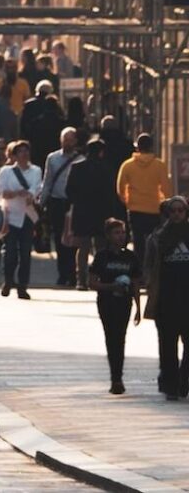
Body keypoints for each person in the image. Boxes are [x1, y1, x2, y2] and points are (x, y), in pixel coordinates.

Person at [88, 218, 142, 395]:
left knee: (121, 338)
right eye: (116, 233)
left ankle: (118, 377)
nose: (121, 236)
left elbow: (135, 284)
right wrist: (111, 287)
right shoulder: (102, 256)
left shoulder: (130, 257)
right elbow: (93, 282)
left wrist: (138, 308)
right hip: (106, 303)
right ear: (108, 236)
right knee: (111, 338)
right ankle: (115, 377)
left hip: (124, 303)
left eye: (123, 232)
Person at [144, 196, 189, 400]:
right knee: (167, 347)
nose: (178, 214)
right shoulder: (158, 238)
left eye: (181, 210)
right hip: (166, 300)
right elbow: (149, 266)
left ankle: (184, 381)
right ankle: (170, 385)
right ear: (168, 213)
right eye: (174, 210)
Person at [68, 138, 120, 288]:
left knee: (83, 247)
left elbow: (69, 191)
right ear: (101, 152)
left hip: (82, 212)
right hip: (102, 213)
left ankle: (81, 280)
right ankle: (99, 277)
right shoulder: (108, 168)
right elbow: (112, 192)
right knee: (101, 247)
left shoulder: (77, 167)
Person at [0, 140, 43, 299]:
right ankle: (8, 280)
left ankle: (23, 285)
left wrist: (30, 195)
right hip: (10, 215)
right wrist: (16, 193)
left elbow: (36, 188)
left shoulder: (35, 171)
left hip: (27, 216)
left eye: (26, 151)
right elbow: (0, 190)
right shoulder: (6, 172)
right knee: (10, 252)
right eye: (20, 151)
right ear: (14, 155)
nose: (24, 154)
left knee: (25, 252)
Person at [38, 127, 83, 288]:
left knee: (72, 240)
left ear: (76, 141)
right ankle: (62, 273)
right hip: (56, 203)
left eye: (70, 140)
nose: (67, 143)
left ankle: (72, 273)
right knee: (58, 239)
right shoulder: (53, 158)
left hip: (73, 204)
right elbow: (47, 181)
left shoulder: (81, 159)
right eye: (65, 140)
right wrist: (41, 203)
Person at [117, 133, 170, 250]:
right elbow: (166, 188)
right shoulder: (159, 165)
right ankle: (152, 263)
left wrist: (127, 202)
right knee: (154, 239)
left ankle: (140, 264)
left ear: (137, 148)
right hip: (154, 208)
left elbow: (120, 187)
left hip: (135, 208)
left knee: (137, 239)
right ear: (151, 147)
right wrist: (165, 204)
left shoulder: (127, 165)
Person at [19, 79, 65, 169]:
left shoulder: (28, 105)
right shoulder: (53, 104)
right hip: (53, 145)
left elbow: (23, 126)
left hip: (34, 145)